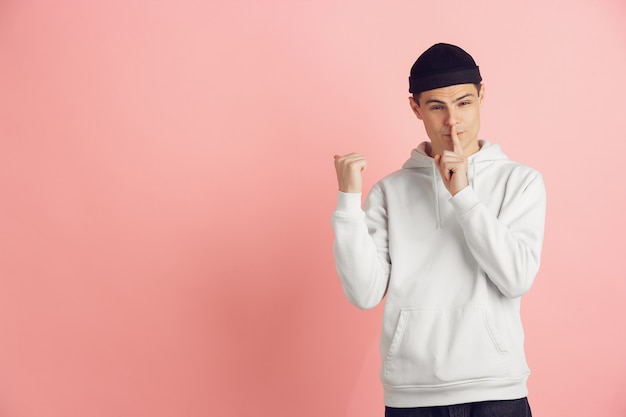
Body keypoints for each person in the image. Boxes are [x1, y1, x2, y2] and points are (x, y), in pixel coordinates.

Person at [331, 43, 545, 416]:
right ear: (415, 107)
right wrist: (348, 203)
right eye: (436, 107)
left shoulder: (520, 182)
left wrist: (463, 195)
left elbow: (516, 278)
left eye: (464, 103)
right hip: (412, 397)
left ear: (481, 95)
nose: (452, 121)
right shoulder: (390, 192)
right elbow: (364, 294)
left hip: (498, 390)